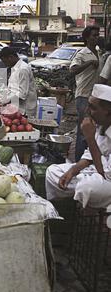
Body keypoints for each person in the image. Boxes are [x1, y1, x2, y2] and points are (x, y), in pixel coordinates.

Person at [46, 84, 111, 209]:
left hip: (107, 177)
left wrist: (90, 138)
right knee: (53, 172)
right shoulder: (101, 124)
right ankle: (68, 205)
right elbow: (89, 155)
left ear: (107, 112)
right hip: (99, 170)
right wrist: (72, 171)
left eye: (92, 107)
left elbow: (105, 174)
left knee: (86, 187)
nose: (87, 111)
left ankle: (82, 205)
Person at [70, 26, 100, 162]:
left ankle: (87, 160)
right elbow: (73, 70)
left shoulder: (99, 52)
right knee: (83, 130)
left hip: (94, 97)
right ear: (87, 37)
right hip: (83, 96)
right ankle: (78, 160)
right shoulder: (83, 53)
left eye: (97, 35)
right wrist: (89, 63)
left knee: (92, 130)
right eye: (93, 35)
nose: (96, 37)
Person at [0, 47, 37, 117]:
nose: (5, 64)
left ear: (10, 57)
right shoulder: (14, 68)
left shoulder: (23, 69)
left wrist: (7, 101)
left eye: (5, 62)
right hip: (17, 107)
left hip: (25, 109)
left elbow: (22, 93)